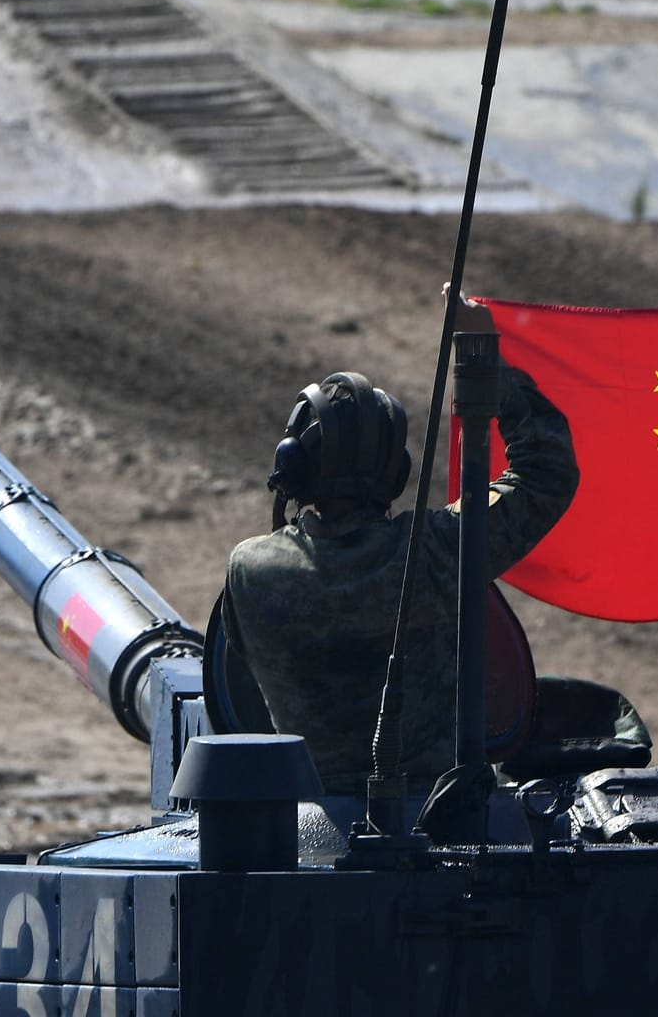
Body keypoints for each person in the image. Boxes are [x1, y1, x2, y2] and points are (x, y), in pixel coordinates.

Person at [206, 298, 579, 794]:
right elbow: (545, 471)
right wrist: (485, 357)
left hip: (310, 821)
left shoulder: (249, 571)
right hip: (438, 818)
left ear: (293, 468)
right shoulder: (437, 551)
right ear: (394, 475)